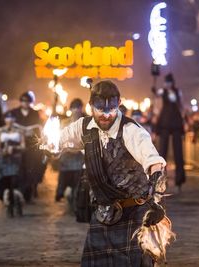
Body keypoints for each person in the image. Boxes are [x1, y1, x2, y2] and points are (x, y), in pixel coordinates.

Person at [46, 80, 167, 266]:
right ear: (91, 106)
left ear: (118, 104)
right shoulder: (83, 127)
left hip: (133, 213)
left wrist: (157, 201)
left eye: (111, 108)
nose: (107, 114)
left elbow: (154, 162)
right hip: (102, 212)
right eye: (100, 108)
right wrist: (47, 145)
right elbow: (58, 142)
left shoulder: (131, 130)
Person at [153, 73, 186, 191]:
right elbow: (157, 98)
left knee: (178, 154)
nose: (167, 84)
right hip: (165, 124)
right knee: (162, 154)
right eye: (166, 82)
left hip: (175, 124)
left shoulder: (177, 92)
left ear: (172, 83)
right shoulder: (162, 92)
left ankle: (179, 181)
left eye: (169, 82)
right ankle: (161, 181)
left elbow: (181, 106)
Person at [11, 91, 45, 202]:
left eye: (27, 101)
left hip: (31, 144)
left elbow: (39, 126)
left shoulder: (34, 113)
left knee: (31, 167)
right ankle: (20, 190)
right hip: (19, 144)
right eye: (23, 101)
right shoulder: (14, 112)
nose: (24, 103)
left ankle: (29, 191)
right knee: (20, 168)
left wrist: (32, 131)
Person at [0, 112, 25, 217]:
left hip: (16, 160)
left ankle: (18, 205)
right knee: (5, 185)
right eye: (7, 118)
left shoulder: (19, 131)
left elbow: (23, 146)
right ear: (4, 119)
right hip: (4, 161)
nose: (10, 120)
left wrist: (14, 148)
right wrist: (4, 151)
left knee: (15, 185)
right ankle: (9, 207)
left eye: (12, 117)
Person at [55, 98, 85, 203]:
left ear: (82, 109)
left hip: (80, 155)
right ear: (71, 109)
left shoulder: (87, 123)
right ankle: (61, 193)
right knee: (64, 178)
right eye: (74, 108)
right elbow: (59, 138)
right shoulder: (64, 123)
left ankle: (77, 199)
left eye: (78, 107)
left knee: (79, 179)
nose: (76, 110)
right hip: (66, 155)